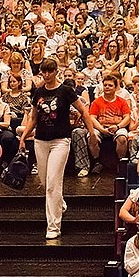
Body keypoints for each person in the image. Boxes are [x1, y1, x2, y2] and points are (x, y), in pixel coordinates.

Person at [18, 58, 97, 239]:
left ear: (56, 72)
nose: (46, 75)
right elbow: (34, 117)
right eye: (43, 72)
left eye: (50, 71)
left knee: (53, 183)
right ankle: (59, 204)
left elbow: (83, 111)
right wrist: (23, 137)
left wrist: (92, 133)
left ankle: (53, 226)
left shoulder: (66, 91)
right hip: (40, 140)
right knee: (45, 181)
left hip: (61, 140)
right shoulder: (38, 92)